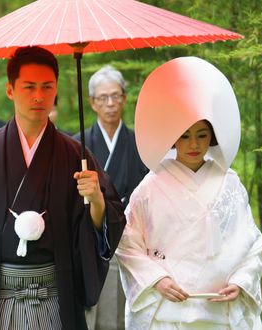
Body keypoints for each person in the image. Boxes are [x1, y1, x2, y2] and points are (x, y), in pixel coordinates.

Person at [0, 46, 126, 330]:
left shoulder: (74, 155)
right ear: (10, 90)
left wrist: (96, 199)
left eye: (47, 87)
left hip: (55, 295)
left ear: (56, 91)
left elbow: (104, 226)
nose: (39, 96)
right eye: (29, 87)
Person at [116, 57, 262, 329]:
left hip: (221, 307)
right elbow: (127, 244)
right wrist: (156, 280)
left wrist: (241, 282)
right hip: (169, 310)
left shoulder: (229, 182)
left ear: (213, 135)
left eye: (202, 134)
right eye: (184, 135)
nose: (194, 144)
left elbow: (252, 243)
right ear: (172, 137)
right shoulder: (151, 186)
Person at [73, 66, 148, 329]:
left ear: (125, 99)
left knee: (123, 312)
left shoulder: (140, 144)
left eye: (116, 96)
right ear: (92, 103)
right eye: (103, 98)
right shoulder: (77, 146)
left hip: (130, 240)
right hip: (91, 240)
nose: (110, 104)